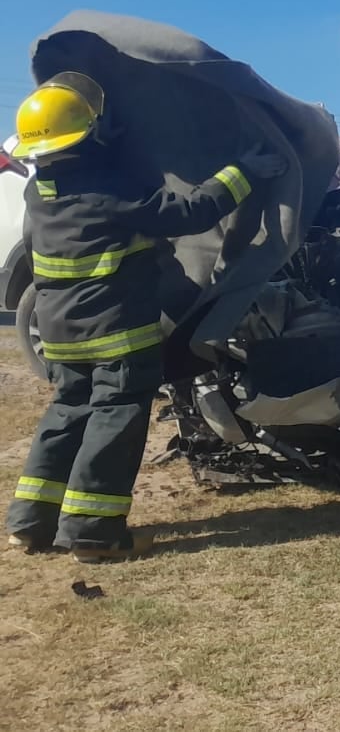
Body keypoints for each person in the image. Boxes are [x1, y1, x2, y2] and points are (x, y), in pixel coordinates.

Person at [4, 71, 286, 563]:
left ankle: (29, 524)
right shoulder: (110, 188)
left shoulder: (38, 194)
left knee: (68, 412)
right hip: (114, 331)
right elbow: (190, 213)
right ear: (90, 133)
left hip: (59, 331)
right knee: (115, 418)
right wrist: (243, 171)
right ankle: (94, 532)